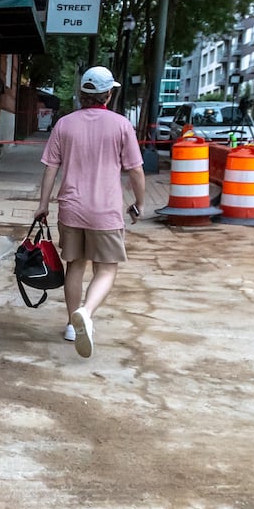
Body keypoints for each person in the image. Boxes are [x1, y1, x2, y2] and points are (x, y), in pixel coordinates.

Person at [33, 66, 148, 358]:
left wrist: (43, 204)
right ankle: (86, 311)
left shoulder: (64, 124)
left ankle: (72, 324)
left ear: (82, 94)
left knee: (75, 265)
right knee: (106, 268)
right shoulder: (121, 125)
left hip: (71, 209)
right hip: (105, 211)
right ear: (108, 95)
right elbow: (135, 170)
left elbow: (50, 168)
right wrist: (139, 202)